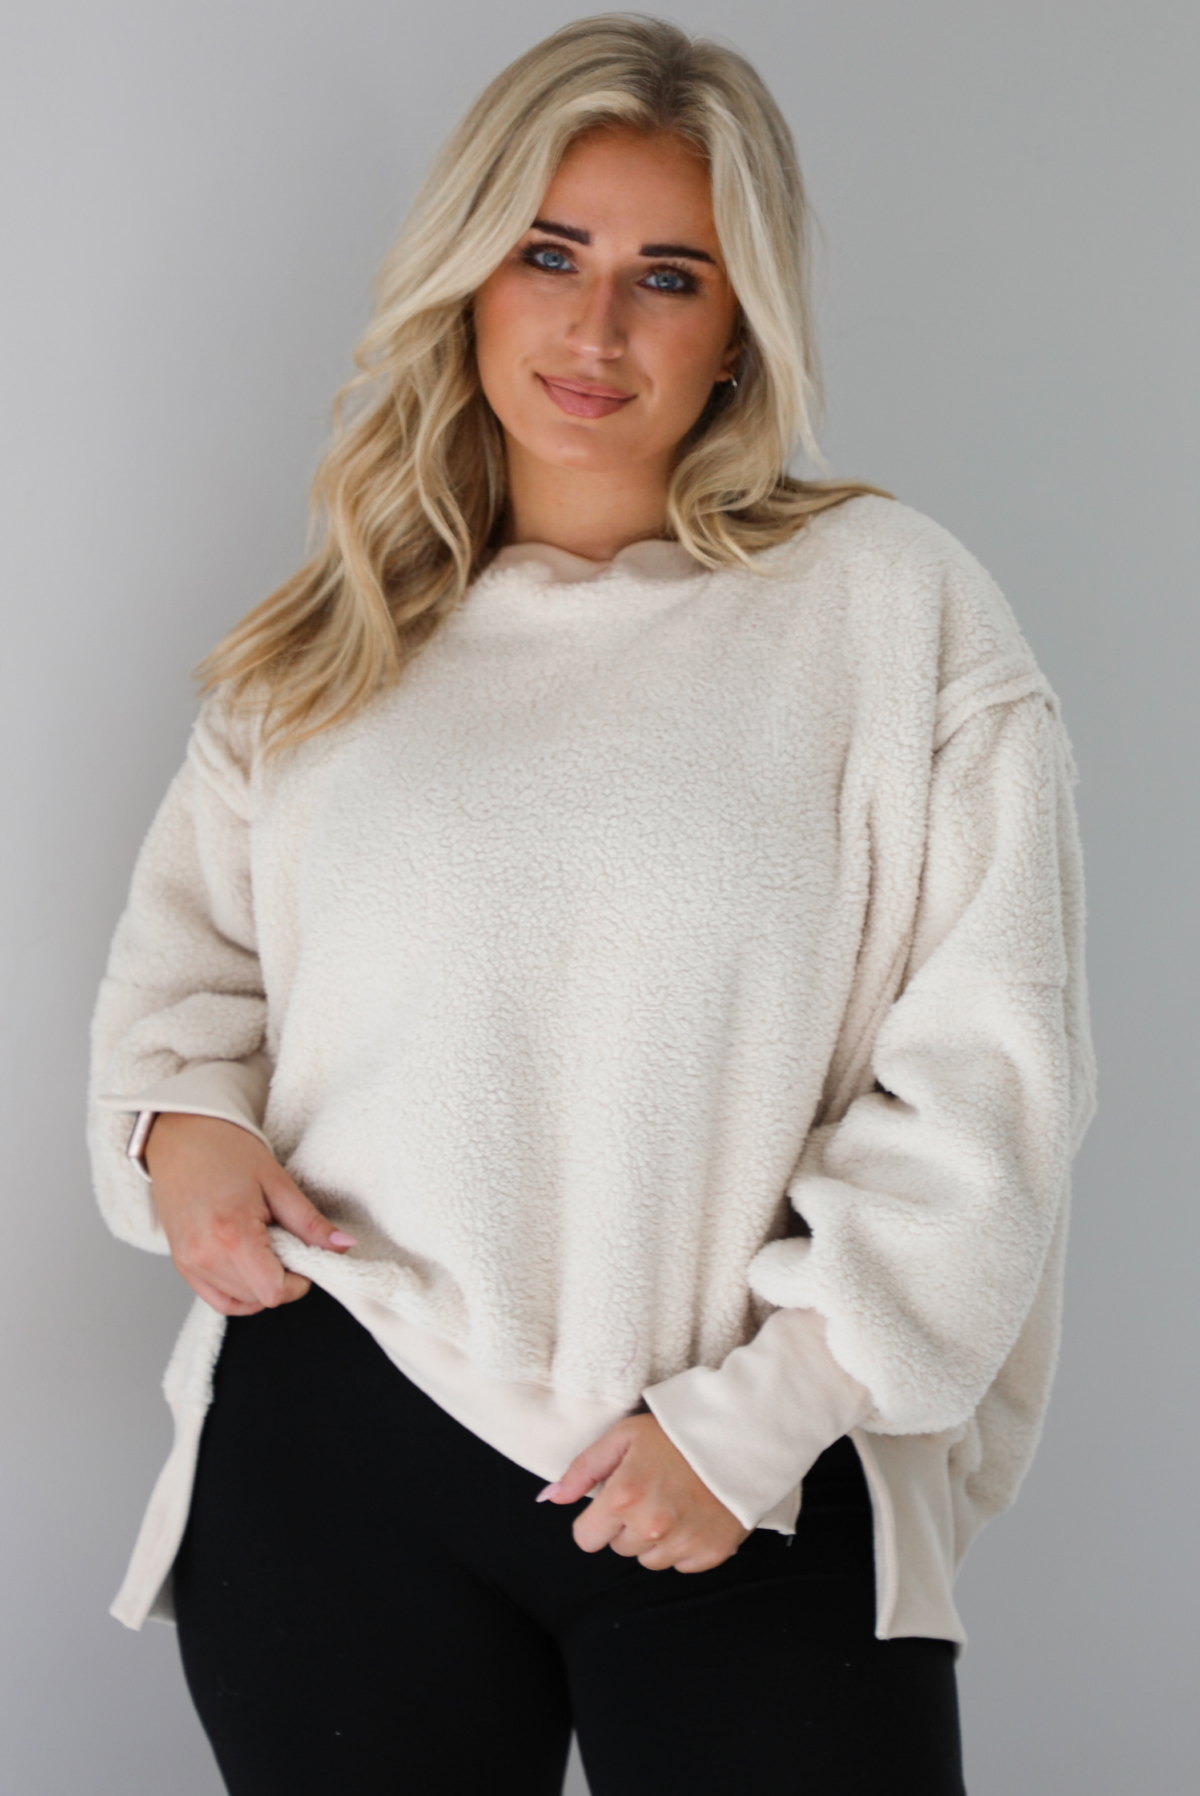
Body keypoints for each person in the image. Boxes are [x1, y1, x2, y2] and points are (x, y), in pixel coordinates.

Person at [87, 15, 1096, 1795]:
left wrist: (757, 1424)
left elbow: (992, 1078)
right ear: (469, 274)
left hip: (747, 1466)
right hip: (346, 1440)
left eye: (668, 275)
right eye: (549, 252)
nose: (594, 324)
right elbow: (191, 978)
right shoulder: (328, 646)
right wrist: (180, 1130)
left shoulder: (891, 612)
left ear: (740, 327)